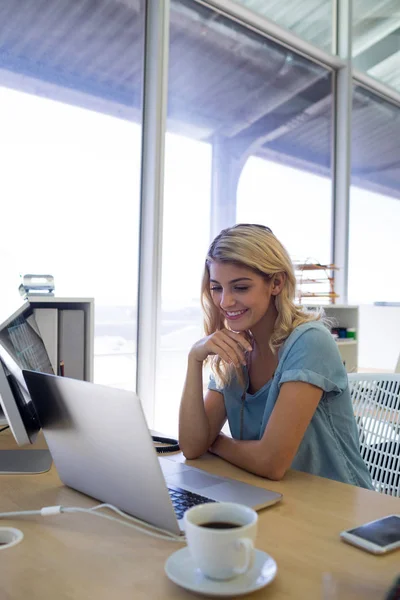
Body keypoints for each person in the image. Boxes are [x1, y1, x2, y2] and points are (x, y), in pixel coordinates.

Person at [179, 223, 373, 489]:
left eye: (241, 287)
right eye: (217, 288)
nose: (224, 302)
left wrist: (216, 441)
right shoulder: (236, 347)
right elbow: (191, 446)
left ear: (276, 283)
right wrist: (194, 358)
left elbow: (271, 463)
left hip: (337, 506)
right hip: (274, 496)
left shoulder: (309, 341)